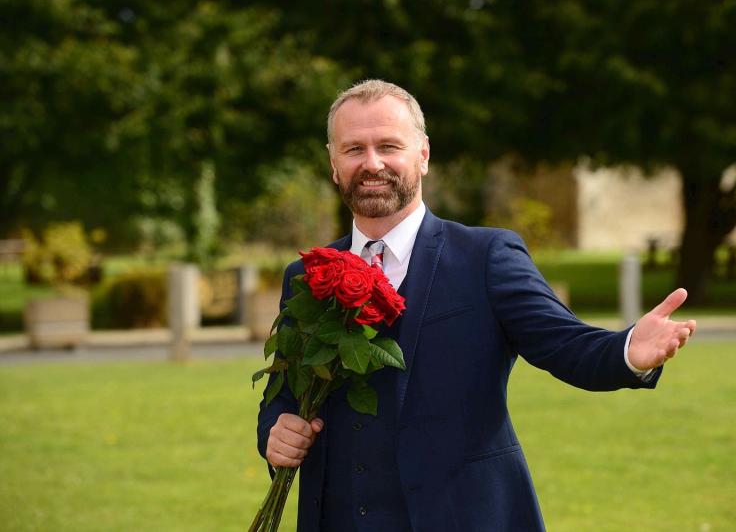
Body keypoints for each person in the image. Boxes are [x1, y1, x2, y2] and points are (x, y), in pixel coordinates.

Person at [257, 79, 696, 532]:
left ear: (423, 155)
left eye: (389, 145)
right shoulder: (306, 277)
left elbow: (563, 344)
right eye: (354, 150)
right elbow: (284, 395)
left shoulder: (486, 257)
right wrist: (275, 431)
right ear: (333, 164)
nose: (372, 163)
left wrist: (627, 351)